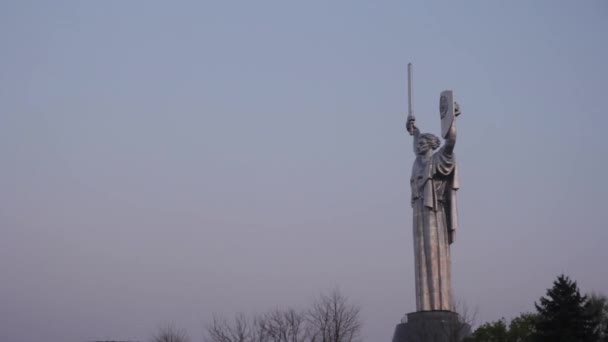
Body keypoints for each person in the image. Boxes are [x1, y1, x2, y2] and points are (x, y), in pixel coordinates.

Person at [406, 107, 459, 312]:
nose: (417, 146)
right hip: (419, 212)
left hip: (434, 212)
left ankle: (439, 306)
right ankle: (425, 308)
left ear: (431, 145)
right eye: (417, 144)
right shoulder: (418, 162)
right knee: (421, 256)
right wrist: (415, 130)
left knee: (434, 254)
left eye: (422, 143)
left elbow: (451, 142)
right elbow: (415, 141)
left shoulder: (438, 159)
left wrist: (451, 121)